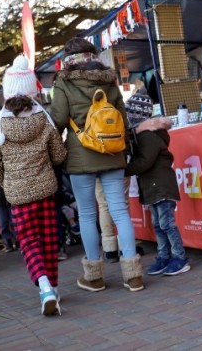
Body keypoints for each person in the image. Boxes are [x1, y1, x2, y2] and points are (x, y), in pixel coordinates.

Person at [49, 37, 145, 293]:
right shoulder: (108, 79)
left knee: (88, 214)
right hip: (113, 153)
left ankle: (94, 277)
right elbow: (123, 119)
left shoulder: (63, 82)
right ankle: (133, 275)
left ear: (68, 59)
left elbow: (57, 120)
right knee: (120, 211)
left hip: (81, 156)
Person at [0, 55, 68, 316]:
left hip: (18, 195)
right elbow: (59, 156)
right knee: (49, 240)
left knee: (29, 243)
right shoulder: (44, 120)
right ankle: (54, 288)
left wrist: (8, 183)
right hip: (46, 189)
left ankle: (44, 287)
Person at [124, 97, 190, 277]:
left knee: (166, 224)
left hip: (160, 185)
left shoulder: (147, 137)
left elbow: (145, 162)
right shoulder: (142, 136)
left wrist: (124, 169)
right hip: (153, 186)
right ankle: (164, 256)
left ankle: (179, 257)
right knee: (158, 224)